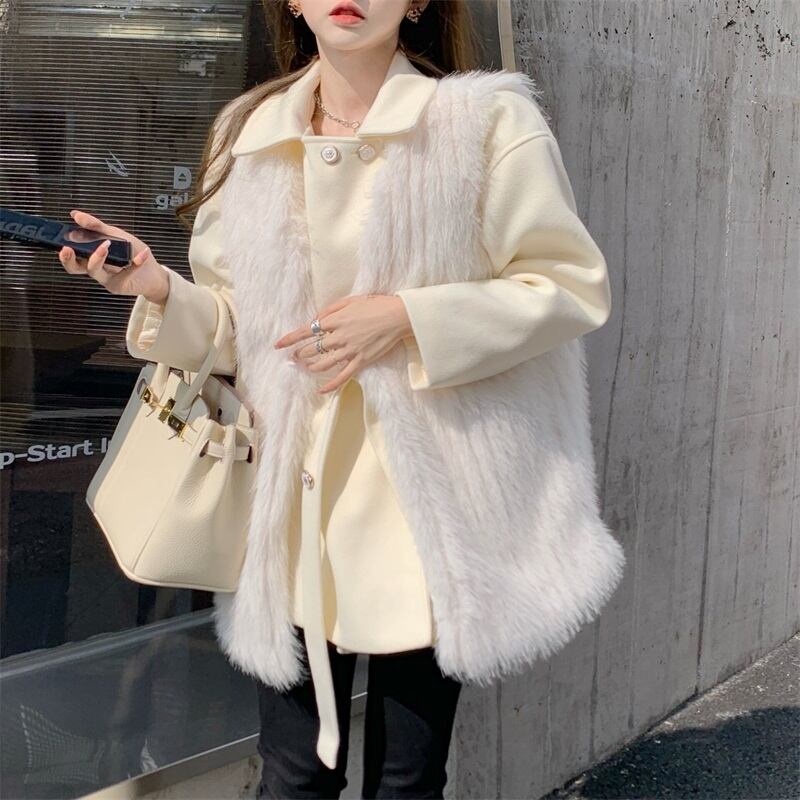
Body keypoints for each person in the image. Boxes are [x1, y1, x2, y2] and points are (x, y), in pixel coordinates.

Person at [59, 0, 626, 797]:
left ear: (418, 3)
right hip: (294, 500)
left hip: (431, 506)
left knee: (407, 776)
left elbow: (569, 286)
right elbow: (240, 331)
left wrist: (406, 318)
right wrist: (155, 287)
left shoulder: (485, 122)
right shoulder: (250, 133)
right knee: (292, 774)